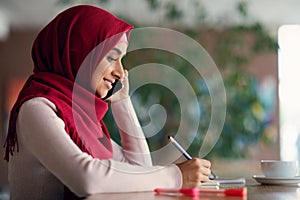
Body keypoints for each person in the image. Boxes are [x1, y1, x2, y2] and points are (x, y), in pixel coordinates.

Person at [4, 5, 212, 200]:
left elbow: (140, 166)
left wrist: (121, 101)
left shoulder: (83, 118)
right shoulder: (37, 108)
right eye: (112, 58)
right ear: (80, 54)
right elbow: (87, 179)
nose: (121, 72)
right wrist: (177, 176)